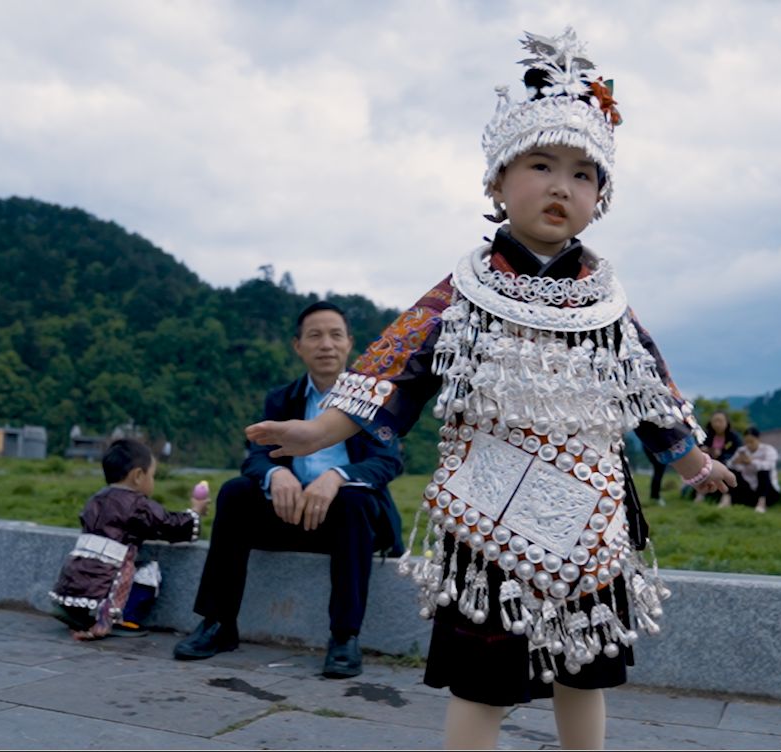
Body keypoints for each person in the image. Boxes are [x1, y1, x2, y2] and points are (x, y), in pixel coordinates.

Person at [246, 29, 736, 750]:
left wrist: (691, 461)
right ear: (497, 183)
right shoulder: (462, 292)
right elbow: (396, 367)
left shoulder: (605, 301)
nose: (560, 185)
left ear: (600, 197)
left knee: (585, 664)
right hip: (488, 505)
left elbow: (649, 391)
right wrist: (322, 433)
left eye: (581, 173)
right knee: (484, 675)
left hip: (590, 502)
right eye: (540, 165)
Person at [172, 302, 404, 679]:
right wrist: (275, 476)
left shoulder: (372, 398)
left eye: (335, 335)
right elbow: (256, 457)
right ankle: (217, 624)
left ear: (350, 344)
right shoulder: (282, 400)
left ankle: (345, 637)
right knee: (235, 493)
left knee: (353, 498)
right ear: (298, 346)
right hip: (292, 513)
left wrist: (336, 476)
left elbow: (387, 462)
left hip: (350, 520)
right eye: (315, 335)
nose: (326, 344)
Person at [49, 439, 207, 639]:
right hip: (109, 578)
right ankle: (124, 618)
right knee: (149, 573)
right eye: (152, 475)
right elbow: (168, 524)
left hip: (74, 578)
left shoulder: (95, 499)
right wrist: (195, 513)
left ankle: (76, 611)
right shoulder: (137, 505)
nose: (153, 481)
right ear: (138, 476)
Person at [720, 426, 780, 513]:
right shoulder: (741, 451)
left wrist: (751, 462)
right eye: (746, 442)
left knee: (763, 471)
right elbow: (730, 464)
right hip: (748, 487)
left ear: (758, 439)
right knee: (731, 471)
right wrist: (736, 462)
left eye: (751, 442)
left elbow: (768, 466)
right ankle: (726, 499)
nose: (749, 445)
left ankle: (761, 502)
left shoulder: (768, 450)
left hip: (768, 490)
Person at [694, 411, 742, 502]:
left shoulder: (733, 437)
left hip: (728, 463)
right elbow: (698, 447)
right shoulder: (706, 435)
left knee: (728, 470)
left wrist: (721, 454)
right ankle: (700, 494)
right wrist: (705, 450)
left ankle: (726, 497)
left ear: (727, 422)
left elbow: (737, 452)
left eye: (720, 421)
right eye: (715, 421)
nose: (717, 424)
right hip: (708, 462)